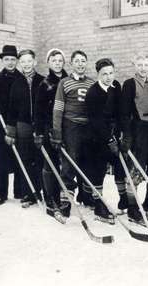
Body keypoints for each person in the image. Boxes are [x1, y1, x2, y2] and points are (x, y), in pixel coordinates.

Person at [118, 53, 148, 224]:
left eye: (146, 64)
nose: (143, 68)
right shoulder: (130, 84)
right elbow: (124, 113)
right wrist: (127, 135)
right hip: (138, 130)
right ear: (134, 66)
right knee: (136, 169)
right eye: (140, 65)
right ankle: (132, 208)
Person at [52, 50, 95, 217]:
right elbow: (58, 109)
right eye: (77, 61)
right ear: (71, 64)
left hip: (88, 127)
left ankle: (86, 196)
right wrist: (57, 131)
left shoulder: (92, 82)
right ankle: (66, 202)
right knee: (70, 163)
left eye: (83, 61)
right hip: (71, 126)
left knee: (87, 162)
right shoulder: (64, 82)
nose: (80, 64)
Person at [84, 58, 127, 224]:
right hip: (96, 137)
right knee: (98, 171)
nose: (108, 77)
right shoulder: (93, 93)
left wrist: (120, 133)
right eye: (104, 74)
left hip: (113, 134)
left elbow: (120, 113)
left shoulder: (116, 87)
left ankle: (124, 201)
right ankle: (98, 205)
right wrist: (109, 140)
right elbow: (96, 121)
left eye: (111, 73)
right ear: (98, 75)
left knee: (119, 166)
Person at [5, 49, 45, 208]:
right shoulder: (16, 83)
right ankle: (29, 193)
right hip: (23, 125)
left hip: (39, 124)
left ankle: (42, 192)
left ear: (34, 62)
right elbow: (11, 109)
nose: (26, 65)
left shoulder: (43, 80)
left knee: (40, 159)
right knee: (25, 159)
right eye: (23, 62)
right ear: (19, 64)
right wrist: (11, 131)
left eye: (29, 61)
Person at [34, 48, 68, 220]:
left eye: (60, 60)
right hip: (49, 129)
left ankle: (66, 198)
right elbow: (38, 111)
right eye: (54, 61)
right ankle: (51, 198)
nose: (57, 63)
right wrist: (39, 133)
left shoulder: (69, 81)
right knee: (51, 164)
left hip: (68, 127)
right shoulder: (45, 84)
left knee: (67, 165)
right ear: (49, 63)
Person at [0, 45, 22, 205]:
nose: (10, 62)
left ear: (17, 60)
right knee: (2, 160)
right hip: (0, 125)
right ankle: (1, 194)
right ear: (2, 61)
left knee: (19, 159)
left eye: (12, 59)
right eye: (6, 59)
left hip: (18, 124)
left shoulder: (22, 79)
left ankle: (19, 192)